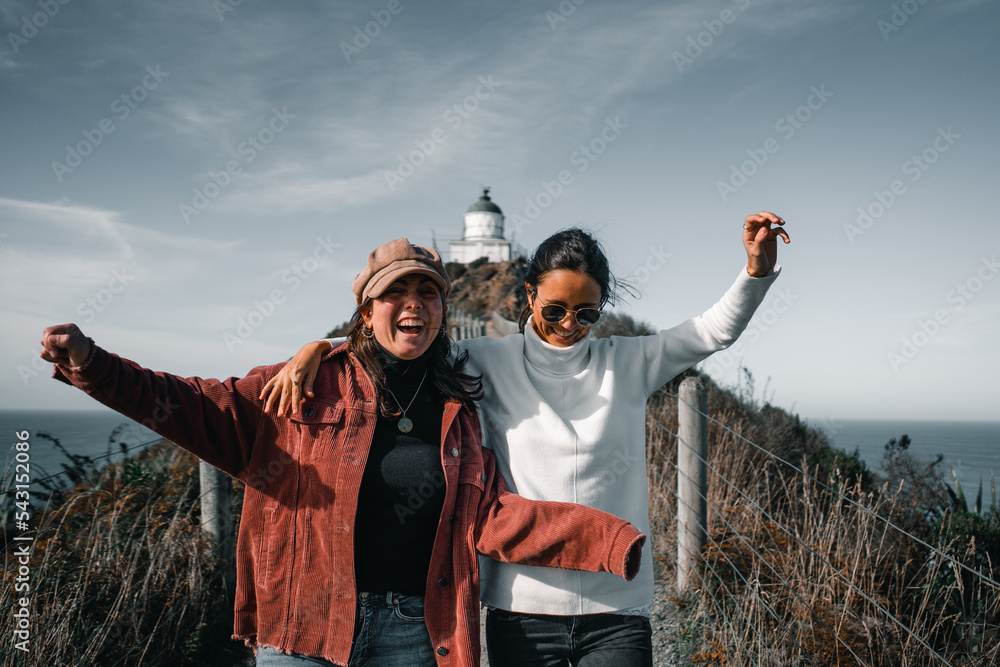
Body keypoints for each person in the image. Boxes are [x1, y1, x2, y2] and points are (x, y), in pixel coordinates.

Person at [40, 238, 647, 667]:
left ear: (443, 309)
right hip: (303, 627)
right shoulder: (297, 386)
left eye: (428, 292)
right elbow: (189, 404)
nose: (413, 303)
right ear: (367, 310)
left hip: (417, 631)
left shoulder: (461, 406)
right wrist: (93, 366)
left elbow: (488, 516)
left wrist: (609, 540)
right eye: (395, 293)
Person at [262, 213, 791, 666]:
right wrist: (321, 347)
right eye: (555, 308)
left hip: (618, 609)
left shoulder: (628, 364)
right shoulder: (486, 361)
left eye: (587, 313)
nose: (569, 325)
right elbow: (403, 342)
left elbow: (711, 332)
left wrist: (756, 271)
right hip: (520, 606)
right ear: (530, 294)